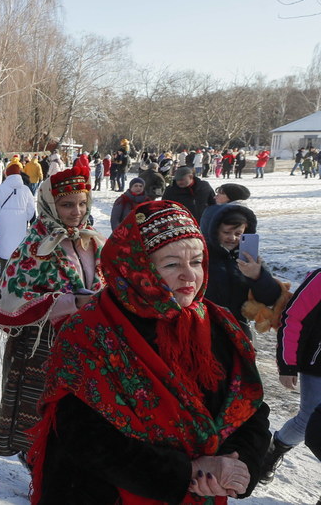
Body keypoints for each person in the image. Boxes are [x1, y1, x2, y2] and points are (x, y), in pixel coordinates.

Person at [28, 200, 270, 503]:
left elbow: (249, 407)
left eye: (196, 262)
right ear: (136, 266)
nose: (189, 276)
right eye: (171, 264)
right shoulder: (90, 332)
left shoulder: (219, 325)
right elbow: (84, 435)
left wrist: (239, 466)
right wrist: (188, 471)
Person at [0, 159, 104, 461]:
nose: (76, 212)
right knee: (39, 415)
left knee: (75, 418)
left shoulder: (92, 240)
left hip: (85, 344)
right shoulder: (37, 244)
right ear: (51, 204)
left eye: (82, 203)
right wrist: (68, 302)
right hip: (42, 348)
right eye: (67, 204)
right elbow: (11, 296)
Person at [262, 266, 321, 484]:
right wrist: (288, 364)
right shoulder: (319, 279)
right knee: (309, 422)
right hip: (317, 367)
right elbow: (293, 318)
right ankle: (274, 449)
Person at [199, 202, 282, 332]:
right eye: (226, 232)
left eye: (238, 233)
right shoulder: (199, 257)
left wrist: (257, 276)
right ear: (213, 232)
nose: (232, 238)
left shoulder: (250, 259)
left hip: (240, 330)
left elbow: (270, 299)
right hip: (204, 327)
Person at [0, 162, 37, 272]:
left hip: (4, 223)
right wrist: (24, 218)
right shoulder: (26, 190)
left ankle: (3, 274)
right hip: (20, 224)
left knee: (4, 249)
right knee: (18, 249)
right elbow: (31, 209)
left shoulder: (0, 189)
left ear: (7, 174)